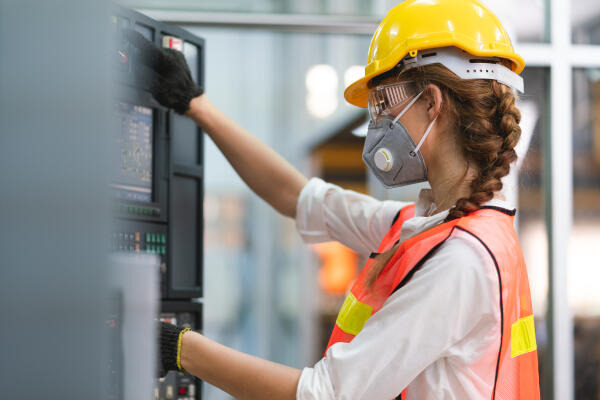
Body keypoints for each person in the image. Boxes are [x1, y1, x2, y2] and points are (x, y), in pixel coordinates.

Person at [129, 0, 541, 398]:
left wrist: (178, 348)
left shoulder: (458, 260)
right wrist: (196, 105)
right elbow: (300, 197)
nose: (377, 122)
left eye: (383, 103)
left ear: (432, 102)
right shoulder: (434, 229)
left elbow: (325, 394)